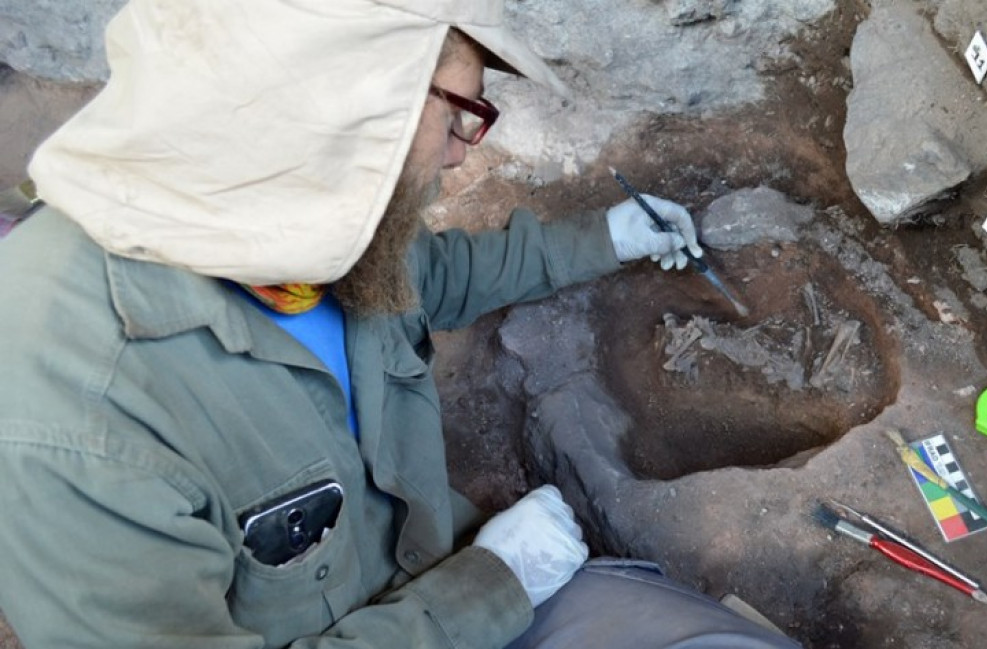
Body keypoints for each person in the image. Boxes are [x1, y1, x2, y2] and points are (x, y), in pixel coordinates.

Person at [0, 0, 800, 647]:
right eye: (460, 113)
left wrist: (607, 236)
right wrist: (492, 584)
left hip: (437, 574)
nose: (462, 155)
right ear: (339, 108)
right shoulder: (67, 415)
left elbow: (431, 276)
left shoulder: (287, 216)